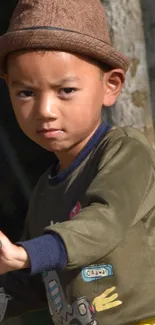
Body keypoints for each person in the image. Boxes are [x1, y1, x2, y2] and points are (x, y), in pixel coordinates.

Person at [0, 0, 154, 324]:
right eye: (25, 93)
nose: (45, 110)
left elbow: (104, 222)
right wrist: (20, 264)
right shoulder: (46, 190)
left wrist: (26, 253)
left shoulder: (126, 152)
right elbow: (34, 282)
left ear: (110, 86)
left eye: (66, 90)